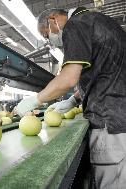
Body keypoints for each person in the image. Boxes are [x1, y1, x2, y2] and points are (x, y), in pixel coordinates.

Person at [16, 7, 126, 188]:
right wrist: (74, 100)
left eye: (46, 35)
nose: (50, 41)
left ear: (52, 20)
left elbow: (69, 78)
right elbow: (105, 74)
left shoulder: (75, 26)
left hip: (110, 122)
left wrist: (36, 99)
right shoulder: (98, 21)